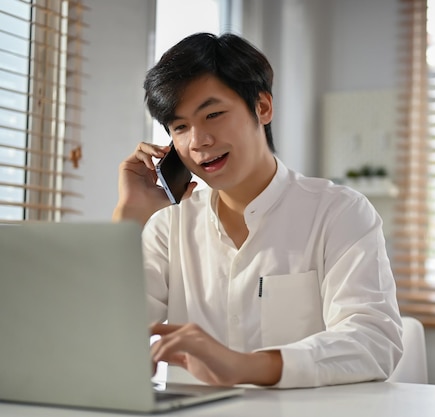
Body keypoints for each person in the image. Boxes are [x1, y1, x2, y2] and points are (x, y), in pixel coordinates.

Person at [113, 32, 403, 389]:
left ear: (262, 107)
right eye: (180, 127)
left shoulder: (339, 212)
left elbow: (374, 341)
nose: (198, 141)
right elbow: (103, 339)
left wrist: (245, 366)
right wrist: (130, 218)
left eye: (214, 114)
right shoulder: (167, 226)